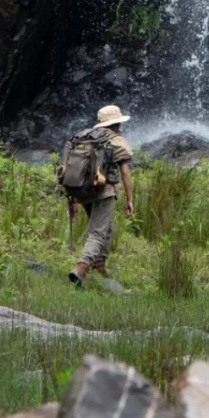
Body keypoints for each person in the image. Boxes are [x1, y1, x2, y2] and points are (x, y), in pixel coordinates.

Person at [68, 104, 135, 286]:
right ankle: (81, 268)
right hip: (104, 191)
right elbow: (126, 173)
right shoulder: (117, 141)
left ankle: (99, 265)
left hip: (83, 191)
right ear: (117, 124)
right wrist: (130, 199)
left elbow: (72, 169)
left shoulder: (84, 137)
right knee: (98, 232)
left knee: (107, 229)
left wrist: (73, 199)